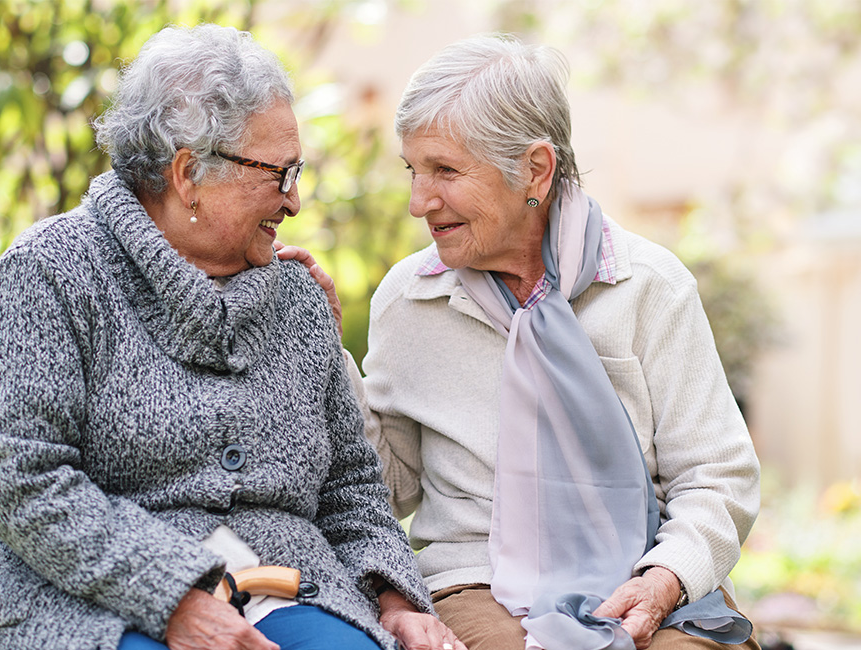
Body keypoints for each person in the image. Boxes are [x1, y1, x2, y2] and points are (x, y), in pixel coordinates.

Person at [0, 24, 465, 650]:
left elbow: (350, 485)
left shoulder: (294, 295)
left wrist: (396, 600)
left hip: (289, 586)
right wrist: (174, 598)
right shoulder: (52, 272)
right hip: (84, 595)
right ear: (188, 174)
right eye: (280, 174)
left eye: (298, 172)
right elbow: (19, 475)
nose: (294, 201)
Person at [282, 34, 761, 650]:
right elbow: (385, 487)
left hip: (643, 573)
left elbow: (716, 477)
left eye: (445, 171)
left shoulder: (649, 287)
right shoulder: (409, 300)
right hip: (475, 583)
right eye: (413, 170)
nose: (417, 202)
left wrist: (664, 579)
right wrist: (324, 350)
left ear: (535, 169)